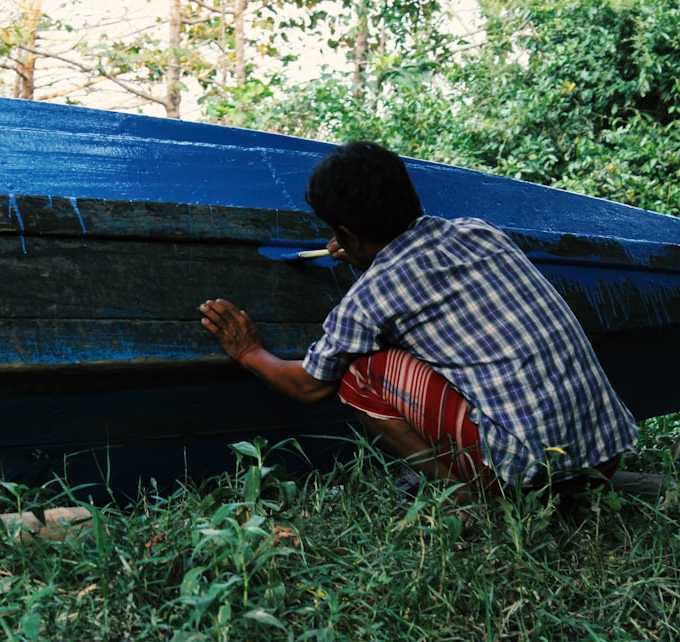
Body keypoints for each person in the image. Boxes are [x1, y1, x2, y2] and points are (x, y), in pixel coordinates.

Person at [199, 141, 637, 502]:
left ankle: (463, 501)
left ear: (347, 233)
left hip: (533, 477)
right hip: (604, 457)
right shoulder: (479, 232)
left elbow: (309, 386)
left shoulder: (371, 297)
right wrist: (366, 258)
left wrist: (248, 350)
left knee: (358, 375)